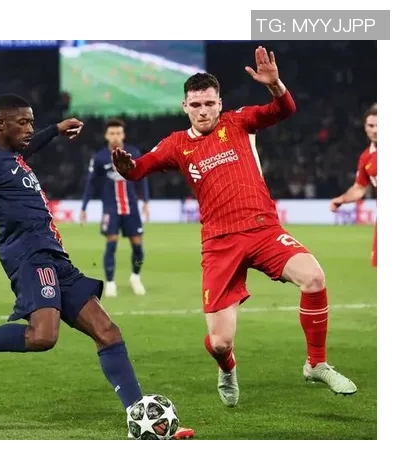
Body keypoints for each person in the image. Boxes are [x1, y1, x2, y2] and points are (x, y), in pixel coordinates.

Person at [0, 94, 194, 439]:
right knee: (43, 336)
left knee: (108, 332)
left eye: (32, 122)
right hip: (29, 256)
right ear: (1, 124)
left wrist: (56, 130)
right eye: (24, 123)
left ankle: (140, 420)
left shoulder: (13, 153)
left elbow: (30, 146)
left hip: (55, 256)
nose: (31, 128)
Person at [111, 47, 357, 407]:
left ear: (220, 103)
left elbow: (283, 110)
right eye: (196, 105)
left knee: (314, 277)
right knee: (220, 342)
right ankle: (227, 367)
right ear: (185, 106)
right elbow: (139, 169)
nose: (203, 111)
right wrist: (126, 167)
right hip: (219, 243)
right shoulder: (176, 144)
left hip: (262, 229)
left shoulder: (238, 122)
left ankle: (316, 364)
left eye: (209, 103)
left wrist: (275, 86)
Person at [80, 118, 149, 297]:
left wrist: (146, 202)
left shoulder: (133, 153)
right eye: (112, 133)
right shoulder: (100, 158)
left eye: (118, 133)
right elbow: (90, 184)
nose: (115, 136)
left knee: (138, 248)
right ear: (106, 135)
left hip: (131, 207)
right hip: (110, 208)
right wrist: (84, 208)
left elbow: (142, 178)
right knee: (111, 244)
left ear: (123, 135)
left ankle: (135, 276)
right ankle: (110, 282)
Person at [330, 103, 377, 267]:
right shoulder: (366, 157)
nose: (375, 130)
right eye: (371, 126)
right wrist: (341, 199)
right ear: (365, 127)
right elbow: (359, 188)